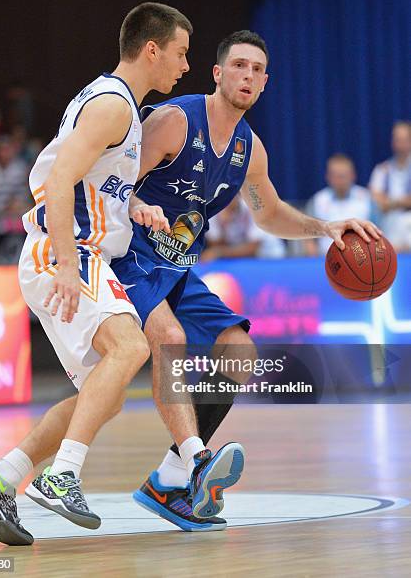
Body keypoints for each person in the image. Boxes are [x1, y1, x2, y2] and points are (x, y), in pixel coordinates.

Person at [109, 30, 382, 532]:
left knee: (240, 351)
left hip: (177, 266)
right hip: (129, 254)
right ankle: (192, 463)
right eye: (238, 66)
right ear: (217, 73)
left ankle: (169, 477)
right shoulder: (173, 121)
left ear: (265, 82)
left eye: (257, 70)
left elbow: (270, 213)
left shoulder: (249, 150)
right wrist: (136, 204)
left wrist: (325, 229)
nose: (247, 76)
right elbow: (110, 181)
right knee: (168, 341)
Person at [0, 2, 199, 546]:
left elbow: (90, 179)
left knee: (107, 391)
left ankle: (2, 478)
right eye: (182, 54)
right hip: (65, 252)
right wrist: (69, 265)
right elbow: (59, 177)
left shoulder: (121, 107)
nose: (185, 67)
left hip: (78, 250)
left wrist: (132, 207)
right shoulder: (115, 106)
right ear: (152, 49)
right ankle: (62, 474)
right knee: (133, 349)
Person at [304, 153, 377, 256]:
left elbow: (378, 232)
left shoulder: (367, 199)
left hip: (363, 260)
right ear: (328, 176)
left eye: (344, 176)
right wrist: (314, 260)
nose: (340, 180)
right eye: (336, 176)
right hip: (326, 259)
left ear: (353, 175)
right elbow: (309, 238)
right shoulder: (317, 201)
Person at [201, 193, 286, 261]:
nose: (226, 200)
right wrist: (224, 225)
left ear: (238, 195)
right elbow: (215, 245)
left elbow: (253, 248)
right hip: (238, 260)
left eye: (229, 196)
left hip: (269, 255)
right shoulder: (213, 211)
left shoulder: (253, 208)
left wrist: (220, 252)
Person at [369, 121, 411, 252]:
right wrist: (404, 201)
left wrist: (389, 202)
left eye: (404, 139)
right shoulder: (381, 170)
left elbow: (385, 203)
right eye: (397, 139)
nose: (400, 144)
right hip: (389, 226)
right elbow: (376, 202)